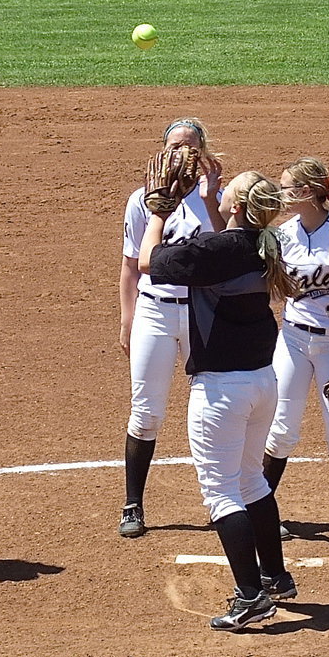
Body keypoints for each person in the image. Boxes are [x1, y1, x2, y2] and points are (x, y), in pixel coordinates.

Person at [139, 170, 298, 631]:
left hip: (221, 390)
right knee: (251, 481)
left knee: (222, 491)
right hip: (261, 382)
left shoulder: (220, 249)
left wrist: (159, 215)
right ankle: (276, 578)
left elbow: (151, 260)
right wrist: (210, 198)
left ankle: (250, 595)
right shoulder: (262, 243)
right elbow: (221, 240)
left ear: (238, 205)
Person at [117, 118, 223, 539]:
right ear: (161, 151)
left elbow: (227, 247)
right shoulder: (141, 200)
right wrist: (128, 317)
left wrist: (213, 197)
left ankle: (222, 501)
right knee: (145, 413)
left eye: (191, 147)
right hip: (155, 312)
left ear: (203, 151)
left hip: (201, 312)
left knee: (214, 409)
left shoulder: (216, 196)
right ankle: (133, 504)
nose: (182, 154)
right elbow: (130, 265)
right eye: (175, 146)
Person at [262, 158, 329, 545]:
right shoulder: (283, 234)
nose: (281, 194)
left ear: (307, 192)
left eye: (287, 187)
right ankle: (264, 509)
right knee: (280, 426)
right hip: (292, 338)